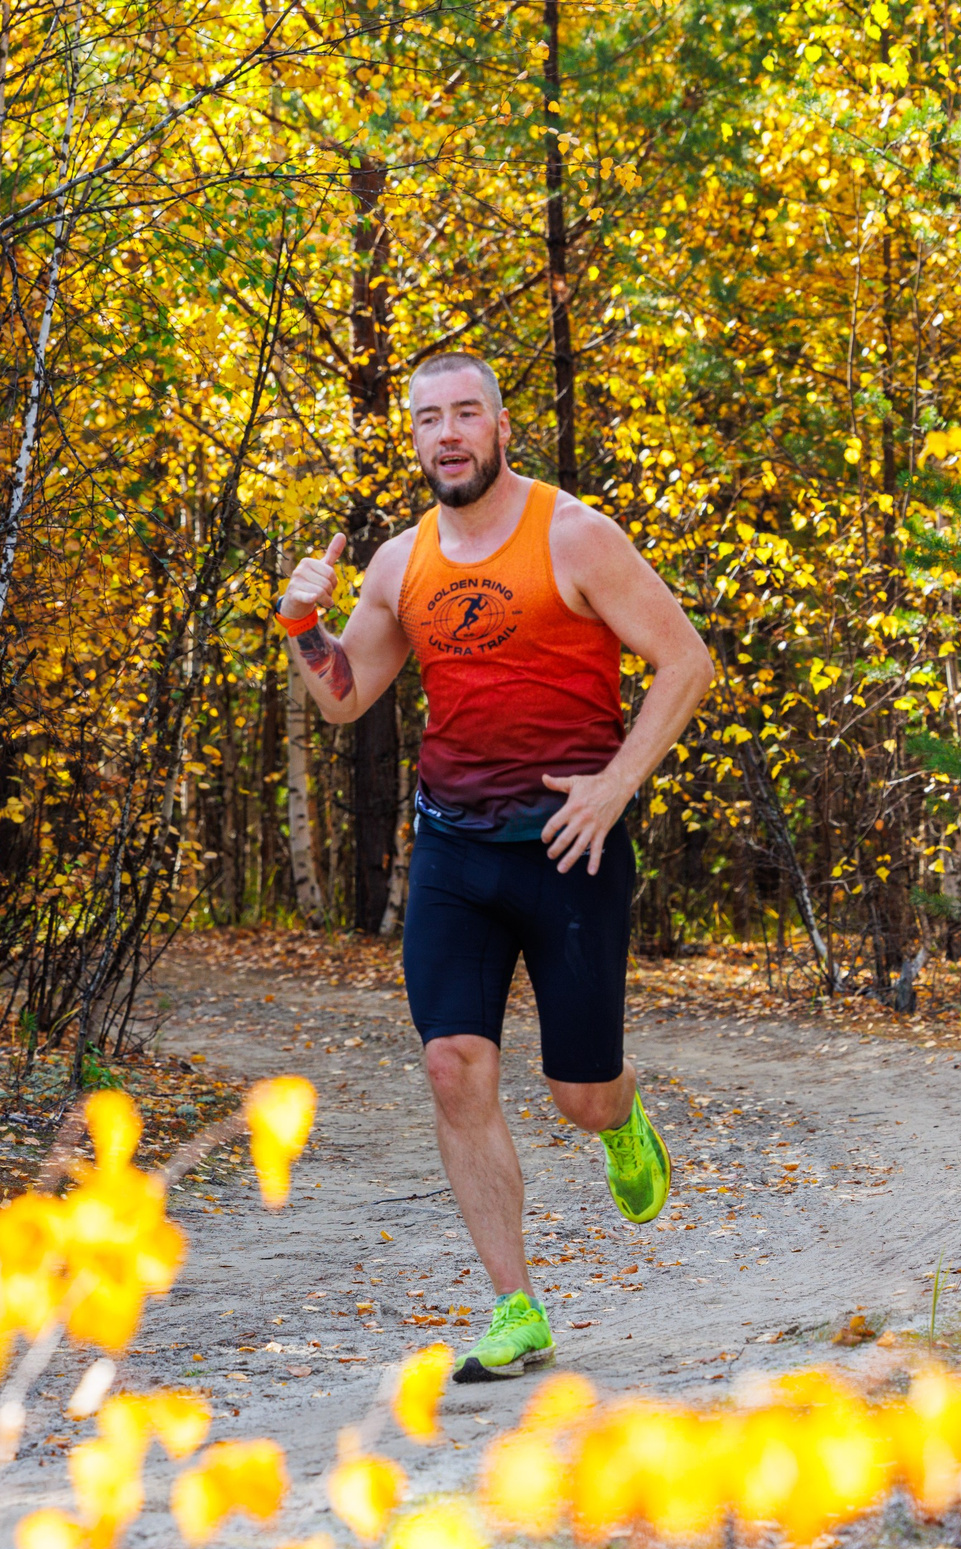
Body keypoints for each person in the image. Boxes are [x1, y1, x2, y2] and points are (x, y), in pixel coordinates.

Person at [278, 352, 716, 1380]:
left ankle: (620, 1118)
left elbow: (686, 660)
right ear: (416, 439)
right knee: (451, 1065)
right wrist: (303, 624)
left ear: (500, 426)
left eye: (465, 413)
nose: (447, 434)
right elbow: (345, 696)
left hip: (571, 849)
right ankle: (514, 1306)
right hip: (454, 854)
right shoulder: (398, 563)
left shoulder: (574, 534)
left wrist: (616, 783)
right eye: (428, 418)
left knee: (578, 1092)